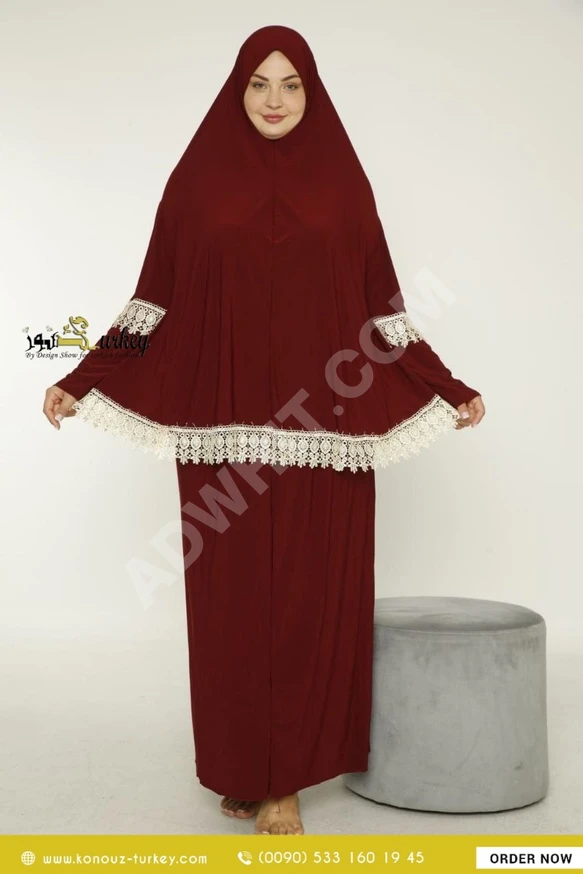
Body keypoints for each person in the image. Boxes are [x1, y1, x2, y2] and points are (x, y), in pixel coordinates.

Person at [43, 25, 485, 835]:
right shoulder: (195, 184)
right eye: (258, 83)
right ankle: (246, 765)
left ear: (311, 91)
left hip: (327, 437)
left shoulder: (344, 186)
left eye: (290, 84)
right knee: (232, 612)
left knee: (312, 604)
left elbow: (383, 309)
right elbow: (152, 301)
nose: (274, 100)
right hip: (224, 439)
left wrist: (444, 385)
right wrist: (82, 377)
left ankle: (285, 782)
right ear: (236, 89)